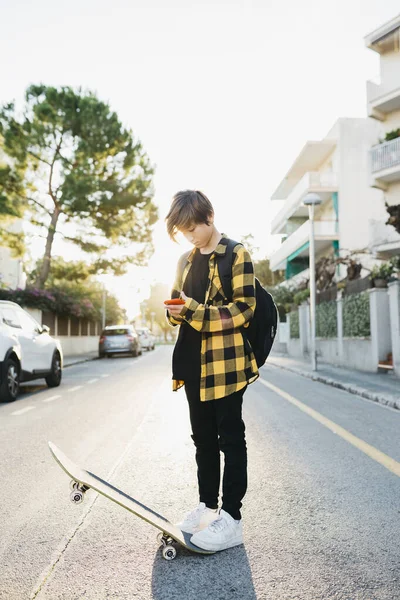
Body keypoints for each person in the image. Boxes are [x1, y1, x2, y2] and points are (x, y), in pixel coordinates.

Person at [164, 189, 259, 552]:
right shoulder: (185, 260)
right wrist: (174, 312)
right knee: (202, 440)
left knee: (230, 439)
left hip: (226, 364)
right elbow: (177, 308)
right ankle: (207, 507)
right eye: (182, 231)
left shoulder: (236, 253)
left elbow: (244, 310)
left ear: (209, 217)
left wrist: (191, 311)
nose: (189, 235)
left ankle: (232, 519)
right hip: (191, 359)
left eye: (192, 228)